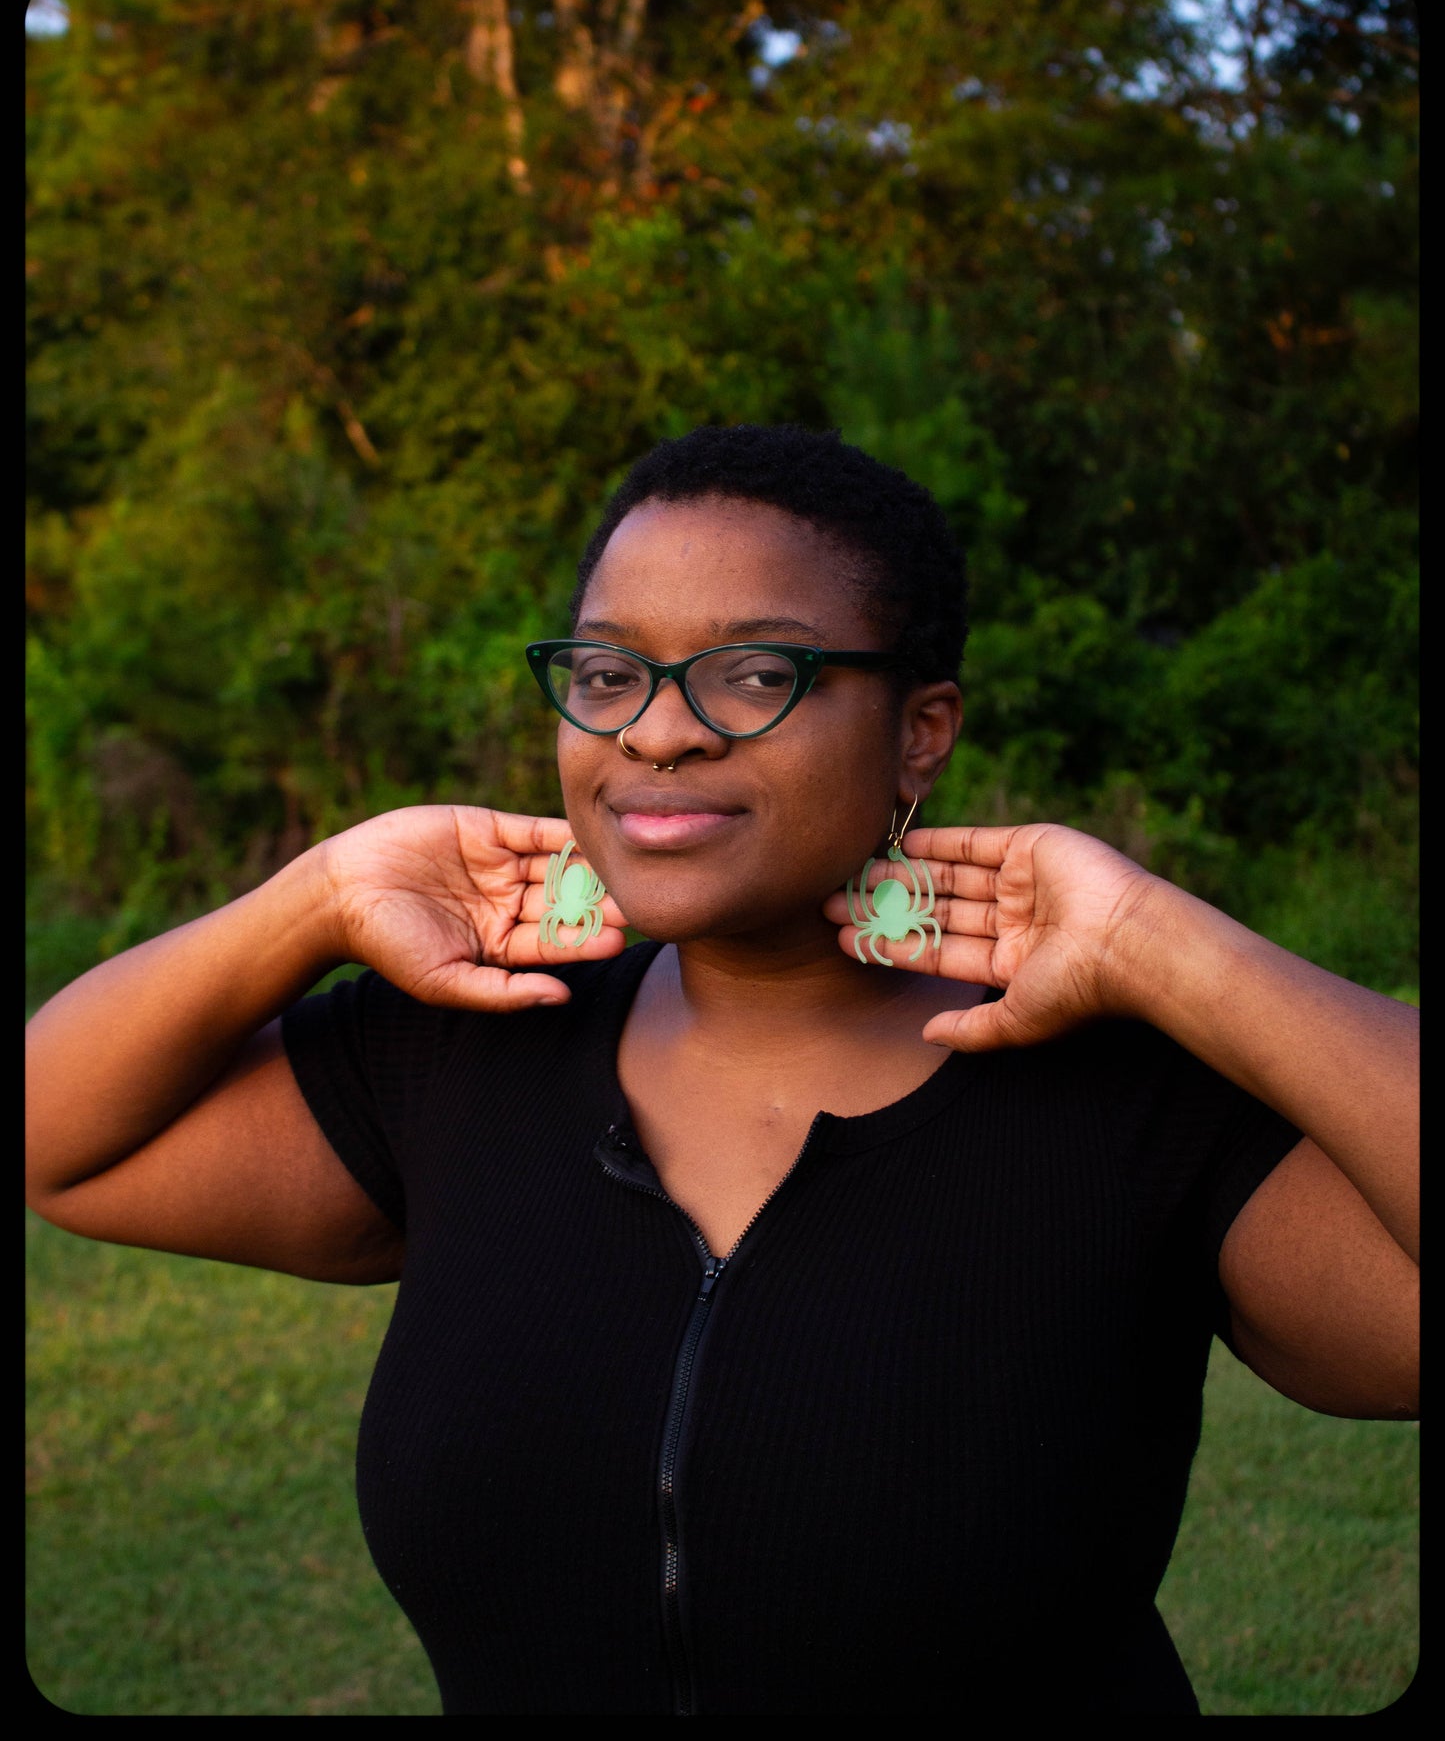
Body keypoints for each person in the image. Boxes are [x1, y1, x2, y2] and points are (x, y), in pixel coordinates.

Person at [25, 425, 1418, 1716]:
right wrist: (321, 896)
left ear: (920, 730)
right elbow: (58, 1137)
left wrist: (1169, 953)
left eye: (755, 673)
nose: (657, 729)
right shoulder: (466, 1039)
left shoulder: (1130, 1094)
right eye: (606, 673)